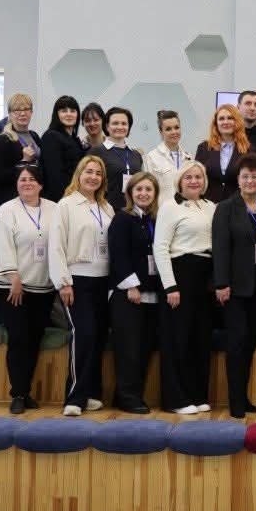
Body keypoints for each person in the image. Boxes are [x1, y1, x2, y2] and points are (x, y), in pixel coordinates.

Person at [48, 156, 114, 416]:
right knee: (83, 334)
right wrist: (63, 282)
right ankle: (74, 397)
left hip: (104, 280)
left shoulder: (106, 207)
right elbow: (56, 246)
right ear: (79, 174)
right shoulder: (66, 205)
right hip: (77, 279)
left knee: (98, 337)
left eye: (98, 173)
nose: (93, 177)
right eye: (89, 172)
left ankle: (92, 393)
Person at [212, 153, 256, 418]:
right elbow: (220, 248)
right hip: (234, 289)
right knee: (236, 345)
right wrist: (221, 283)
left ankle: (244, 396)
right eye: (245, 176)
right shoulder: (226, 208)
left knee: (249, 344)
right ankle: (235, 401)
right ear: (237, 180)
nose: (250, 181)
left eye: (255, 177)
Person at [0, 164, 57, 414]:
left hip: (44, 287)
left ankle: (25, 390)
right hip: (14, 287)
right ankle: (18, 394)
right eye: (22, 179)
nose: (27, 183)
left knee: (34, 341)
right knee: (18, 340)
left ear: (41, 184)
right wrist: (13, 276)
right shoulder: (6, 210)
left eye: (32, 179)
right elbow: (1, 245)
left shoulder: (54, 208)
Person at [153, 161, 217, 415]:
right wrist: (170, 286)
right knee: (177, 339)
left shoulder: (211, 206)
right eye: (188, 177)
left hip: (205, 276)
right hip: (180, 274)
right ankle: (175, 399)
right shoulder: (169, 207)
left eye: (198, 177)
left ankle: (197, 395)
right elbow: (160, 247)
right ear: (179, 181)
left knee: (200, 338)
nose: (194, 181)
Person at [107, 171, 162, 414]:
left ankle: (128, 395)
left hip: (151, 294)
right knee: (128, 349)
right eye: (139, 189)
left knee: (144, 348)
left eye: (148, 189)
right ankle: (128, 397)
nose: (144, 193)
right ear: (130, 193)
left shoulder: (154, 220)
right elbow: (118, 254)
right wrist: (131, 285)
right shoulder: (122, 218)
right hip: (128, 294)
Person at [0, 94, 42, 209]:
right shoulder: (3, 140)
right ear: (10, 114)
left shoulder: (34, 136)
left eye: (26, 109)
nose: (22, 113)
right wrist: (24, 161)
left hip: (34, 196)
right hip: (12, 199)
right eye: (17, 110)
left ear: (31, 112)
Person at [87, 106, 144, 210]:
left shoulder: (136, 155)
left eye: (124, 123)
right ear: (107, 126)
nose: (120, 127)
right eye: (115, 123)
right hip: (106, 210)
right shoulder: (96, 152)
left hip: (133, 210)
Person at [196, 104, 250, 203]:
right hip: (209, 204)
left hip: (238, 204)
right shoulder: (203, 148)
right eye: (221, 119)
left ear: (237, 121)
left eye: (230, 118)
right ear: (216, 123)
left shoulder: (249, 150)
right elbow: (197, 178)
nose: (225, 122)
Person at [39, 95, 86, 202]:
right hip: (59, 200)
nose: (69, 114)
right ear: (57, 114)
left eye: (73, 111)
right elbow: (54, 176)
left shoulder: (74, 139)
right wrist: (65, 201)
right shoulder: (51, 136)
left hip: (75, 196)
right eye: (64, 111)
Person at [145, 110, 194, 207]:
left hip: (186, 210)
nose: (174, 132)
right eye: (168, 129)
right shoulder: (152, 157)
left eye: (176, 127)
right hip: (163, 211)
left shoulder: (189, 157)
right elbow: (148, 189)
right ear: (161, 132)